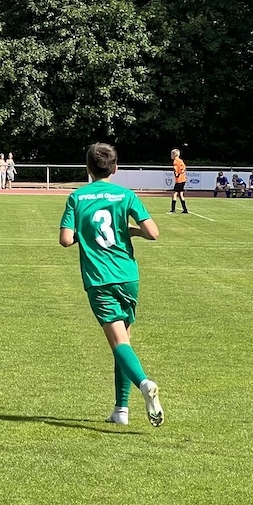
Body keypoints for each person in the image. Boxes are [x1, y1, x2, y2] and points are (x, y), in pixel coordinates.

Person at [59, 142, 164, 427]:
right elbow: (153, 233)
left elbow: (66, 239)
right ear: (115, 168)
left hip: (100, 278)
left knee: (119, 343)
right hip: (128, 276)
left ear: (88, 168)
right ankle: (121, 410)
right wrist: (130, 231)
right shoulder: (126, 195)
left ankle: (144, 383)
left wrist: (85, 234)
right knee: (123, 342)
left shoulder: (78, 197)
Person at [169, 148, 188, 214]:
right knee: (180, 194)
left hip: (179, 180)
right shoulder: (180, 160)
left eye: (171, 154)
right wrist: (181, 172)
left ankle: (173, 210)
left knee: (174, 194)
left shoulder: (176, 161)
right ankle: (185, 209)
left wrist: (177, 174)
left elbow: (176, 169)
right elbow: (184, 168)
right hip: (183, 179)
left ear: (174, 154)